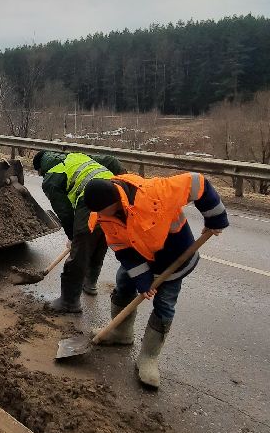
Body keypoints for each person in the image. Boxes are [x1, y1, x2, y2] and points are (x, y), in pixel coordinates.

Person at [83, 171, 229, 388]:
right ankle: (120, 332)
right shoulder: (103, 216)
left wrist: (215, 218)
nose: (100, 215)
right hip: (139, 255)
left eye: (102, 210)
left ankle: (149, 358)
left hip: (173, 257)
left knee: (165, 303)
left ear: (114, 200)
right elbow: (122, 249)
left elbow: (198, 183)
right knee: (124, 284)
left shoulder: (154, 192)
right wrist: (142, 280)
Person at [32, 150, 125, 314]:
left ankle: (69, 302)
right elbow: (110, 160)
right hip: (114, 192)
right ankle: (90, 284)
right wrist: (123, 181)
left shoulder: (51, 178)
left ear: (41, 169)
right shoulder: (76, 156)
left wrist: (73, 237)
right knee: (101, 237)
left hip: (90, 198)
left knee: (81, 249)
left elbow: (65, 213)